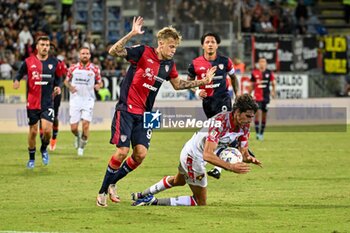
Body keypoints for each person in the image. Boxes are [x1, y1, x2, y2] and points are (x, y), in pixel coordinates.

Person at [96, 16, 216, 207]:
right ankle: (102, 191)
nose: (173, 50)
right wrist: (132, 34)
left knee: (140, 155)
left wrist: (203, 82)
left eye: (175, 47)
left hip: (147, 114)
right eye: (171, 46)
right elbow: (114, 51)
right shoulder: (142, 52)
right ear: (160, 44)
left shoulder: (169, 65)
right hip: (126, 109)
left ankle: (113, 182)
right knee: (122, 152)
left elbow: (178, 85)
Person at [131, 94, 261, 206]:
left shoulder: (244, 126)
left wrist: (249, 158)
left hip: (191, 151)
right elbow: (208, 155)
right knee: (200, 202)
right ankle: (152, 202)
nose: (250, 120)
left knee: (178, 181)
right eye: (248, 116)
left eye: (252, 117)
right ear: (237, 112)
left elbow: (243, 152)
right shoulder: (219, 123)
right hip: (193, 158)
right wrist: (230, 167)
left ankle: (142, 195)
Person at [13, 36, 62, 169]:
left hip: (47, 102)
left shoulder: (54, 62)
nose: (45, 47)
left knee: (47, 131)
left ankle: (44, 149)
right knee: (33, 131)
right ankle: (31, 159)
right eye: (43, 45)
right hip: (32, 102)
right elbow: (19, 74)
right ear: (37, 47)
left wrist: (58, 86)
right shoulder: (28, 61)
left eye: (47, 45)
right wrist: (16, 81)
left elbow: (58, 78)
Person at [187, 32, 239, 119]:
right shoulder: (195, 63)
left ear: (217, 45)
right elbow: (188, 82)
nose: (210, 44)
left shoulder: (225, 61)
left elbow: (233, 77)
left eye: (213, 42)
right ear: (203, 46)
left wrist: (237, 94)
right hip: (207, 102)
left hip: (223, 99)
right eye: (207, 42)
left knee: (224, 124)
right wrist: (197, 91)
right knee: (213, 128)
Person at [64, 46, 102, 156]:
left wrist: (98, 86)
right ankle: (78, 136)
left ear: (90, 55)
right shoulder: (72, 68)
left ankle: (81, 147)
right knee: (73, 128)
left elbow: (100, 82)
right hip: (75, 99)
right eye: (83, 53)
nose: (85, 55)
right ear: (79, 55)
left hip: (88, 100)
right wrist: (70, 87)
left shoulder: (95, 69)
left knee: (85, 124)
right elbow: (66, 81)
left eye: (87, 53)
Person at [250, 57, 276, 140]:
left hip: (266, 97)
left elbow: (273, 83)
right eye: (260, 61)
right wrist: (249, 94)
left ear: (266, 63)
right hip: (257, 97)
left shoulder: (269, 72)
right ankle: (257, 133)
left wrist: (273, 91)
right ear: (258, 63)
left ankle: (261, 133)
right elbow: (252, 85)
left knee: (264, 115)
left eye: (263, 61)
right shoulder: (254, 72)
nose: (262, 63)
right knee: (257, 113)